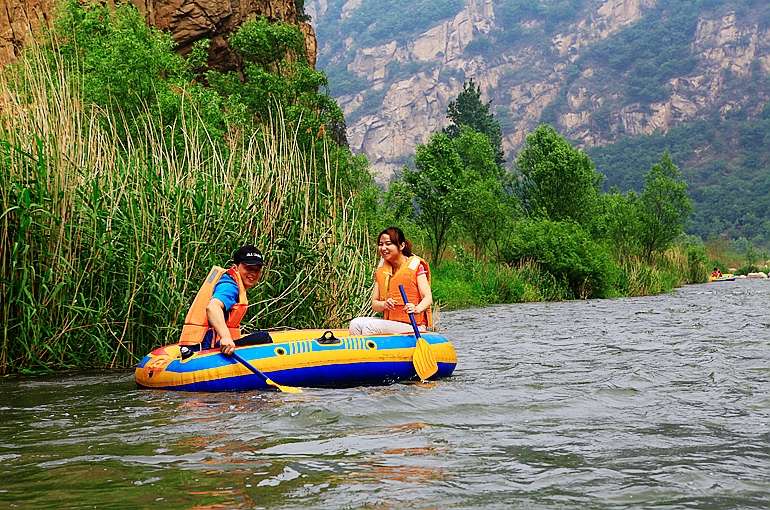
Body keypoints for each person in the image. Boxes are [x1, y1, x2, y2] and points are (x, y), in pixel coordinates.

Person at [179, 244, 271, 356]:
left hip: (196, 345)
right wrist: (226, 337)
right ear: (235, 267)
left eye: (257, 270)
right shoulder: (230, 286)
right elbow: (213, 307)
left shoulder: (227, 279)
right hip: (205, 348)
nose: (253, 273)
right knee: (264, 338)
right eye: (248, 268)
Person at [349, 227, 433, 336]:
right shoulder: (382, 271)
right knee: (355, 323)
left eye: (388, 244)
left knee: (370, 327)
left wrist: (416, 309)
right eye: (381, 244)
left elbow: (428, 298)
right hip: (392, 323)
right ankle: (358, 353)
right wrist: (384, 304)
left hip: (414, 325)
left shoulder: (415, 266)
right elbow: (375, 304)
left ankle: (371, 352)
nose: (383, 248)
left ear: (401, 246)